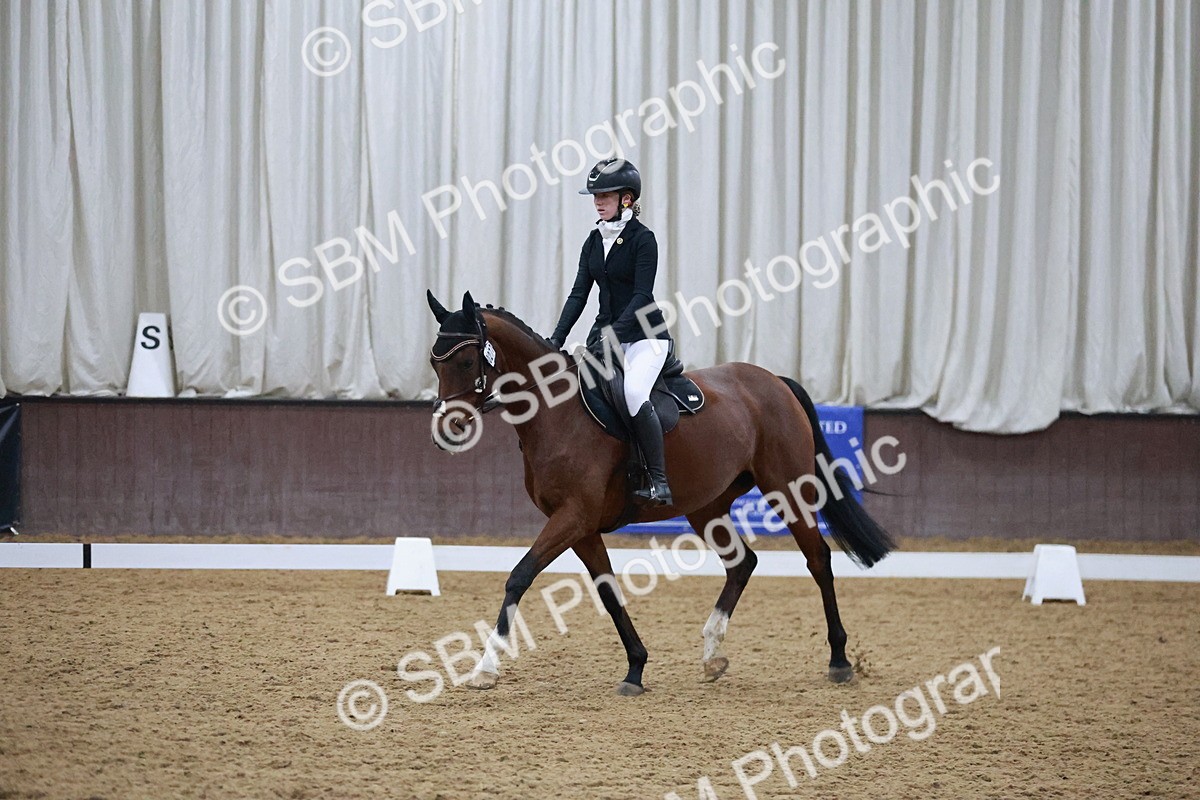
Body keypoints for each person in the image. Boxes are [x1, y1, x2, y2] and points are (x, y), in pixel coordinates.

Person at [549, 157, 674, 506]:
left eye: (605, 195)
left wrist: (614, 334)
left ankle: (658, 480)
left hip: (645, 336)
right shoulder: (593, 240)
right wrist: (555, 339)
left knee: (634, 392)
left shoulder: (643, 239)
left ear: (627, 199)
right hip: (606, 337)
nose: (598, 201)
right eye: (595, 196)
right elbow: (578, 294)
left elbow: (641, 295)